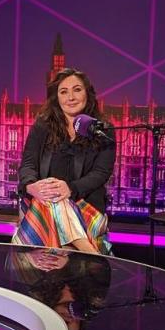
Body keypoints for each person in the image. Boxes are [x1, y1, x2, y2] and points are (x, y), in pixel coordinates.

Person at [14, 68, 116, 254]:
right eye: (63, 91)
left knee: (54, 198)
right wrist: (31, 187)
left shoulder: (103, 130)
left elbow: (101, 173)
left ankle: (52, 271)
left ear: (88, 93)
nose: (71, 97)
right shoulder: (42, 126)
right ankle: (88, 251)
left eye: (77, 90)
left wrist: (69, 189)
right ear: (56, 98)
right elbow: (27, 165)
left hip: (86, 209)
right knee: (50, 194)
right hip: (42, 203)